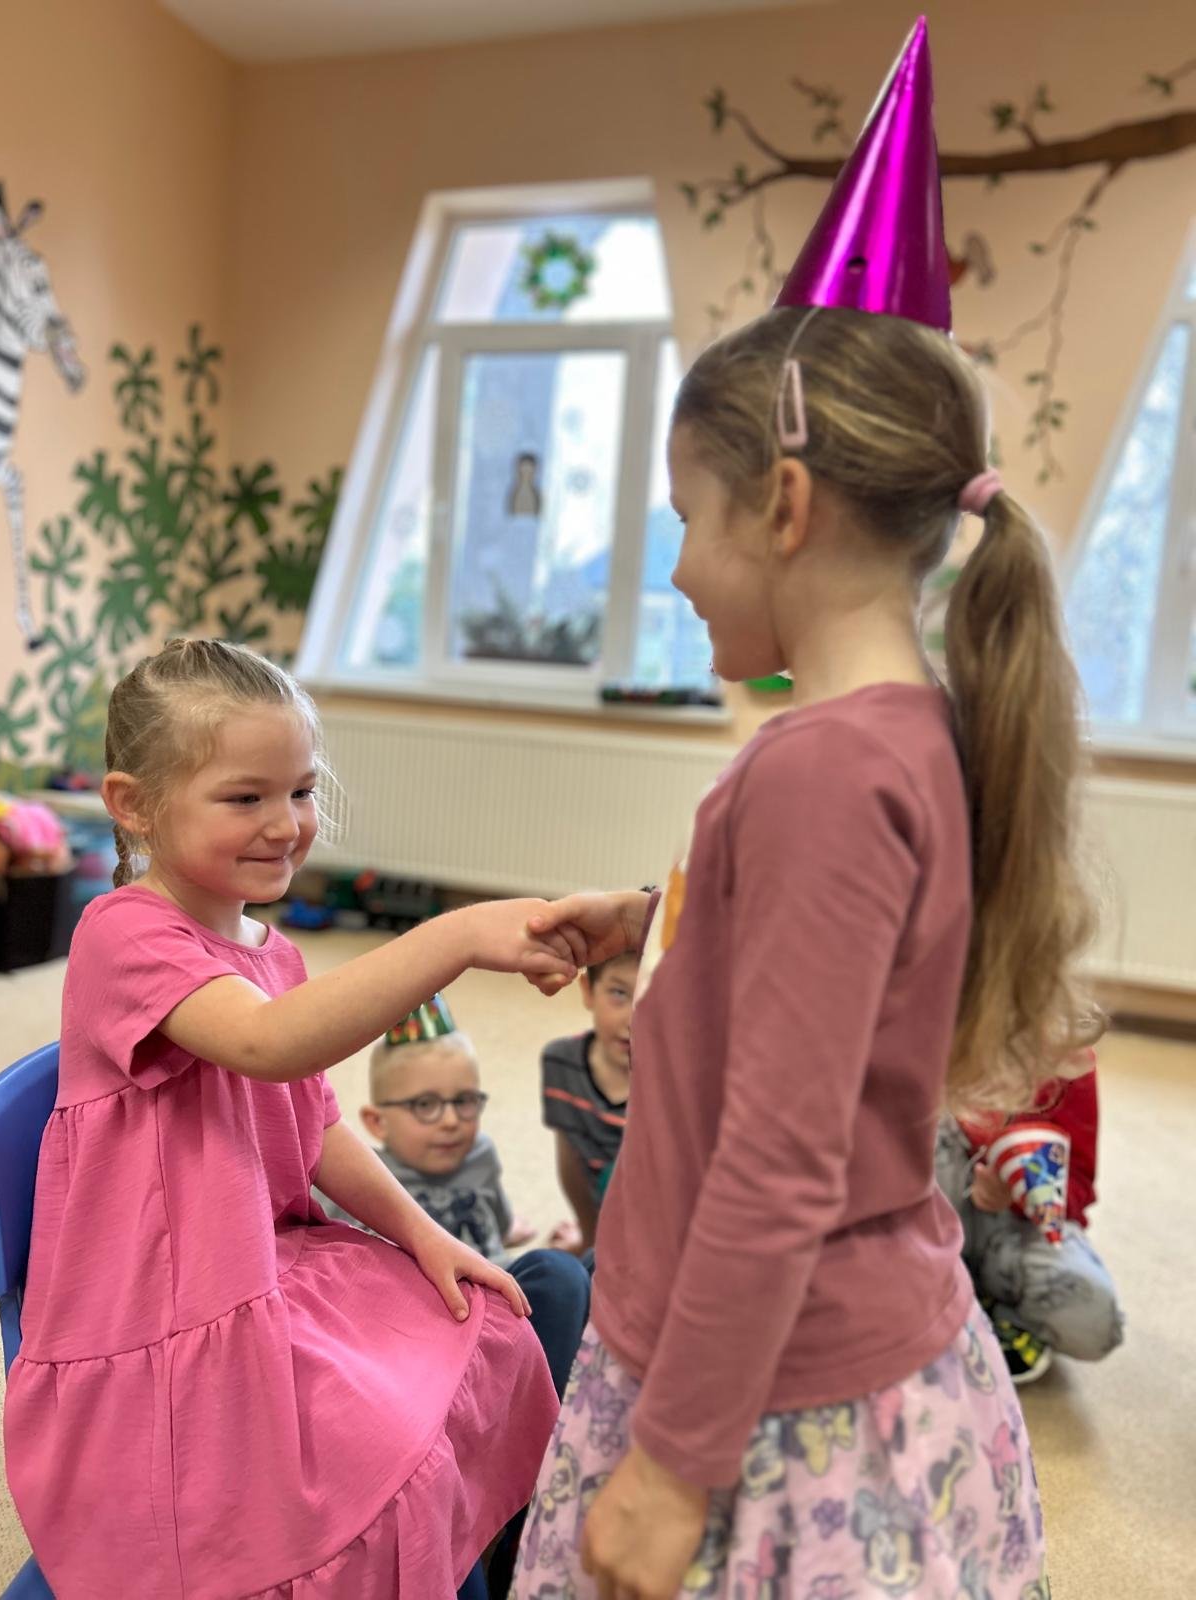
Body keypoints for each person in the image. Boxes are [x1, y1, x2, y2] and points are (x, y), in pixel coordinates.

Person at [509, 20, 1100, 1598]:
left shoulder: (821, 770)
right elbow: (841, 980)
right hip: (838, 1353)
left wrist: (671, 1472)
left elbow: (777, 1160)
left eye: (685, 521)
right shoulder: (902, 738)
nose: (676, 569)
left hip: (768, 1410)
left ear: (782, 504)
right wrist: (667, 923)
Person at [3, 637, 585, 1600]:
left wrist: (425, 1234)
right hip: (165, 1316)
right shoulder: (122, 934)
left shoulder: (270, 949)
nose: (285, 824)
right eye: (245, 797)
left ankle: (495, 1553)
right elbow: (271, 1044)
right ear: (132, 804)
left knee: (493, 1326)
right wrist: (455, 935)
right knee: (363, 1472)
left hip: (269, 1264)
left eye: (302, 791)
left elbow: (312, 1123)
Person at [318, 994, 591, 1400]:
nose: (450, 1120)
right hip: (423, 1339)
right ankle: (535, 1415)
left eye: (464, 1102)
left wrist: (515, 1231)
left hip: (502, 1310)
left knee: (589, 1267)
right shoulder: (358, 1177)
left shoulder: (481, 1154)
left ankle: (554, 1402)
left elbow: (498, 1227)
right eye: (425, 1104)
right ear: (376, 1122)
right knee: (560, 1273)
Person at [936, 1048, 1124, 1385]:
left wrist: (1017, 1195)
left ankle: (987, 1306)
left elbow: (1078, 1186)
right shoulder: (924, 1029)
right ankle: (941, 1301)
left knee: (1093, 1318)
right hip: (927, 1225)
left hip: (1013, 1231)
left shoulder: (1066, 1051)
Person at [540, 953, 636, 1255]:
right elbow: (571, 1160)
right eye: (619, 993)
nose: (633, 1018)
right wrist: (589, 1236)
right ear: (588, 991)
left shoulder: (679, 1084)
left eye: (653, 994)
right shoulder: (560, 1062)